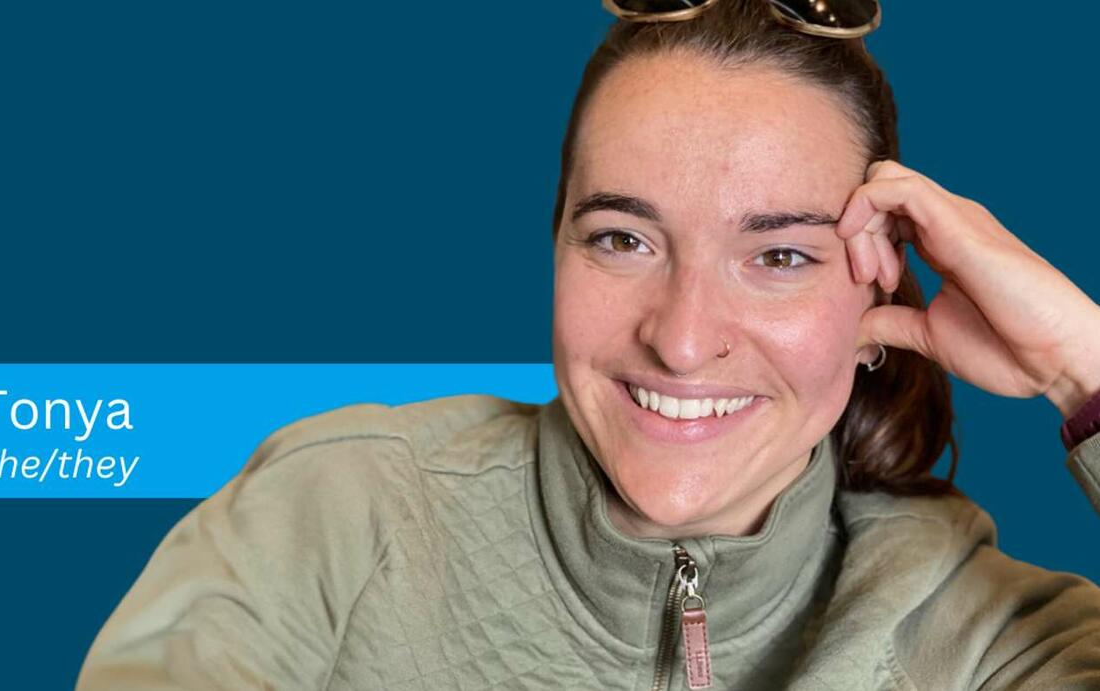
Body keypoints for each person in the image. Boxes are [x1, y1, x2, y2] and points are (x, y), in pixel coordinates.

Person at [76, 1, 1100, 688]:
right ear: (556, 245)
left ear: (879, 287)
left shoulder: (983, 635)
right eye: (623, 239)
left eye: (779, 256)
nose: (683, 339)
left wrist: (1082, 370)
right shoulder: (335, 516)